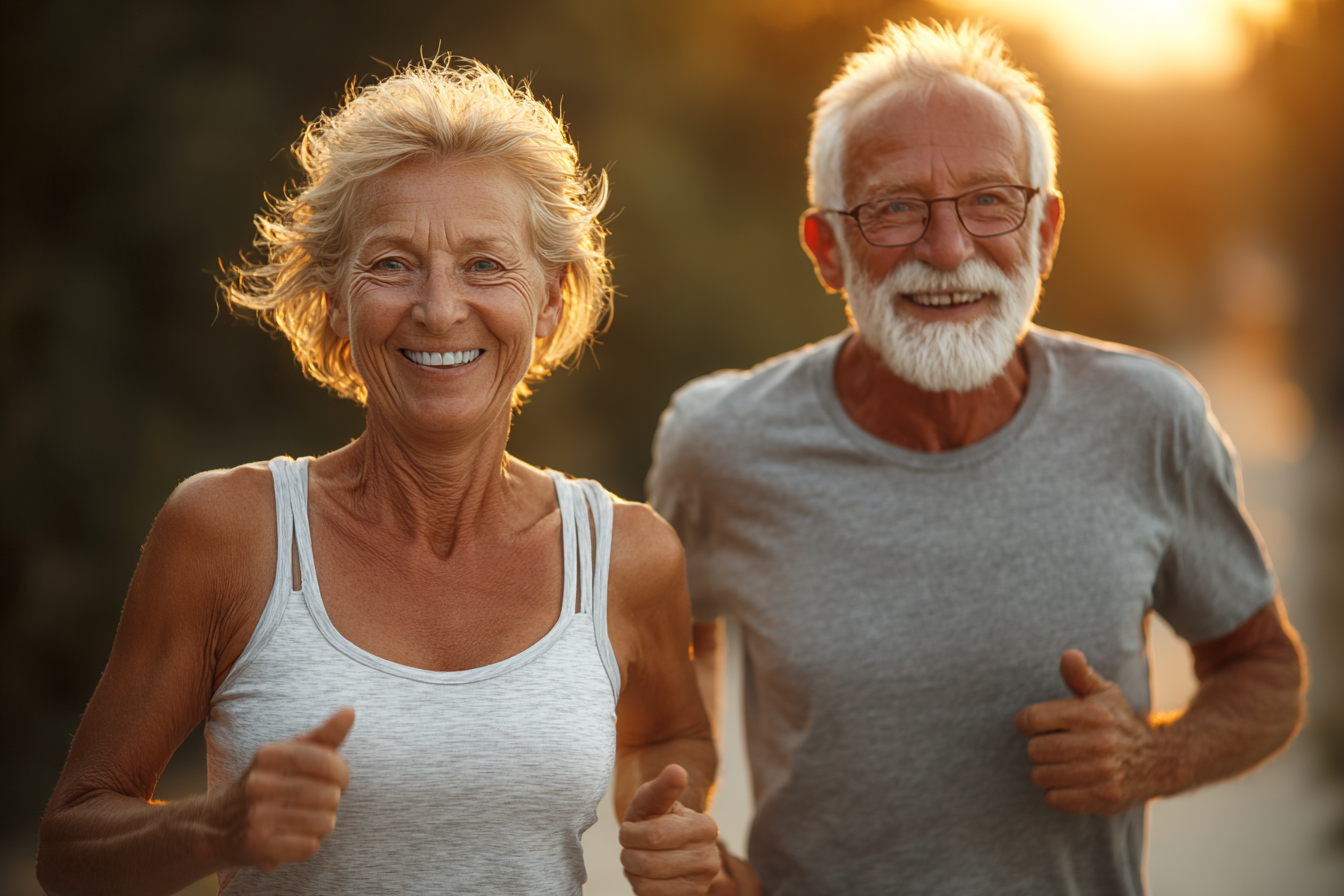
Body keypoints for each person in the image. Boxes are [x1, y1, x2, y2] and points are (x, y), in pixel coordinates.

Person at [648, 20, 1306, 896]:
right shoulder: (719, 441)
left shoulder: (1150, 417)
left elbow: (1268, 674)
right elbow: (670, 656)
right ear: (826, 252)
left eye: (991, 200)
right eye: (894, 207)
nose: (949, 250)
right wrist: (695, 844)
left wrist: (1155, 757)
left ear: (1045, 231)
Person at [37, 60, 722, 896]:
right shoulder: (228, 533)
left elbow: (669, 736)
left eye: (484, 265)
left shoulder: (627, 554)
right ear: (333, 300)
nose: (438, 309)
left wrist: (667, 823)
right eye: (393, 264)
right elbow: (70, 849)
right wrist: (209, 829)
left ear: (550, 299)